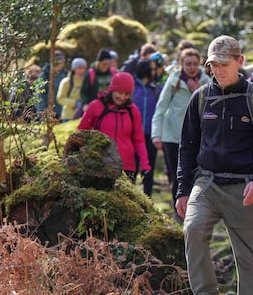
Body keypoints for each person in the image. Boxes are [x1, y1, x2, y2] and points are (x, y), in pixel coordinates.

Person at [175, 35, 253, 295]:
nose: (217, 70)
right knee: (192, 230)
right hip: (205, 183)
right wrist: (181, 189)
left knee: (246, 257)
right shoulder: (200, 98)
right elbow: (188, 146)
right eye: (212, 65)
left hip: (243, 186)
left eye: (223, 64)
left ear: (240, 61)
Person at [151, 47, 211, 201]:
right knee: (177, 177)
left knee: (196, 176)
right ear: (181, 64)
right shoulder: (173, 80)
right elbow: (161, 108)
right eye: (188, 64)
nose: (191, 67)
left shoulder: (207, 82)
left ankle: (194, 210)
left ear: (200, 64)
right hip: (172, 137)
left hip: (197, 138)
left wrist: (196, 91)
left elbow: (211, 108)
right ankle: (179, 212)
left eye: (195, 64)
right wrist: (156, 134)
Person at [77, 71, 151, 182]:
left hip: (127, 167)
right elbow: (80, 133)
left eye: (127, 94)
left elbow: (139, 140)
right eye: (120, 93)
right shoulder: (96, 106)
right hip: (100, 165)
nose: (123, 97)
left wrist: (145, 164)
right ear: (112, 89)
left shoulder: (132, 110)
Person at [132, 59, 160, 196]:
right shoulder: (132, 88)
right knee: (131, 168)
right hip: (132, 135)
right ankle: (128, 198)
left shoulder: (155, 89)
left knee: (148, 168)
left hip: (150, 135)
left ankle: (147, 199)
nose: (154, 72)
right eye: (152, 69)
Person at [38, 50, 67, 119]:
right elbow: (40, 93)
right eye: (57, 63)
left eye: (62, 63)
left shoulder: (65, 74)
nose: (60, 65)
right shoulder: (45, 74)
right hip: (48, 109)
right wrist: (43, 109)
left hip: (62, 110)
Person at [56, 57, 87, 122]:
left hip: (84, 115)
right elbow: (60, 98)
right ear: (74, 69)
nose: (82, 70)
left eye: (83, 68)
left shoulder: (87, 81)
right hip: (69, 116)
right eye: (79, 68)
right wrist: (75, 103)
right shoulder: (66, 82)